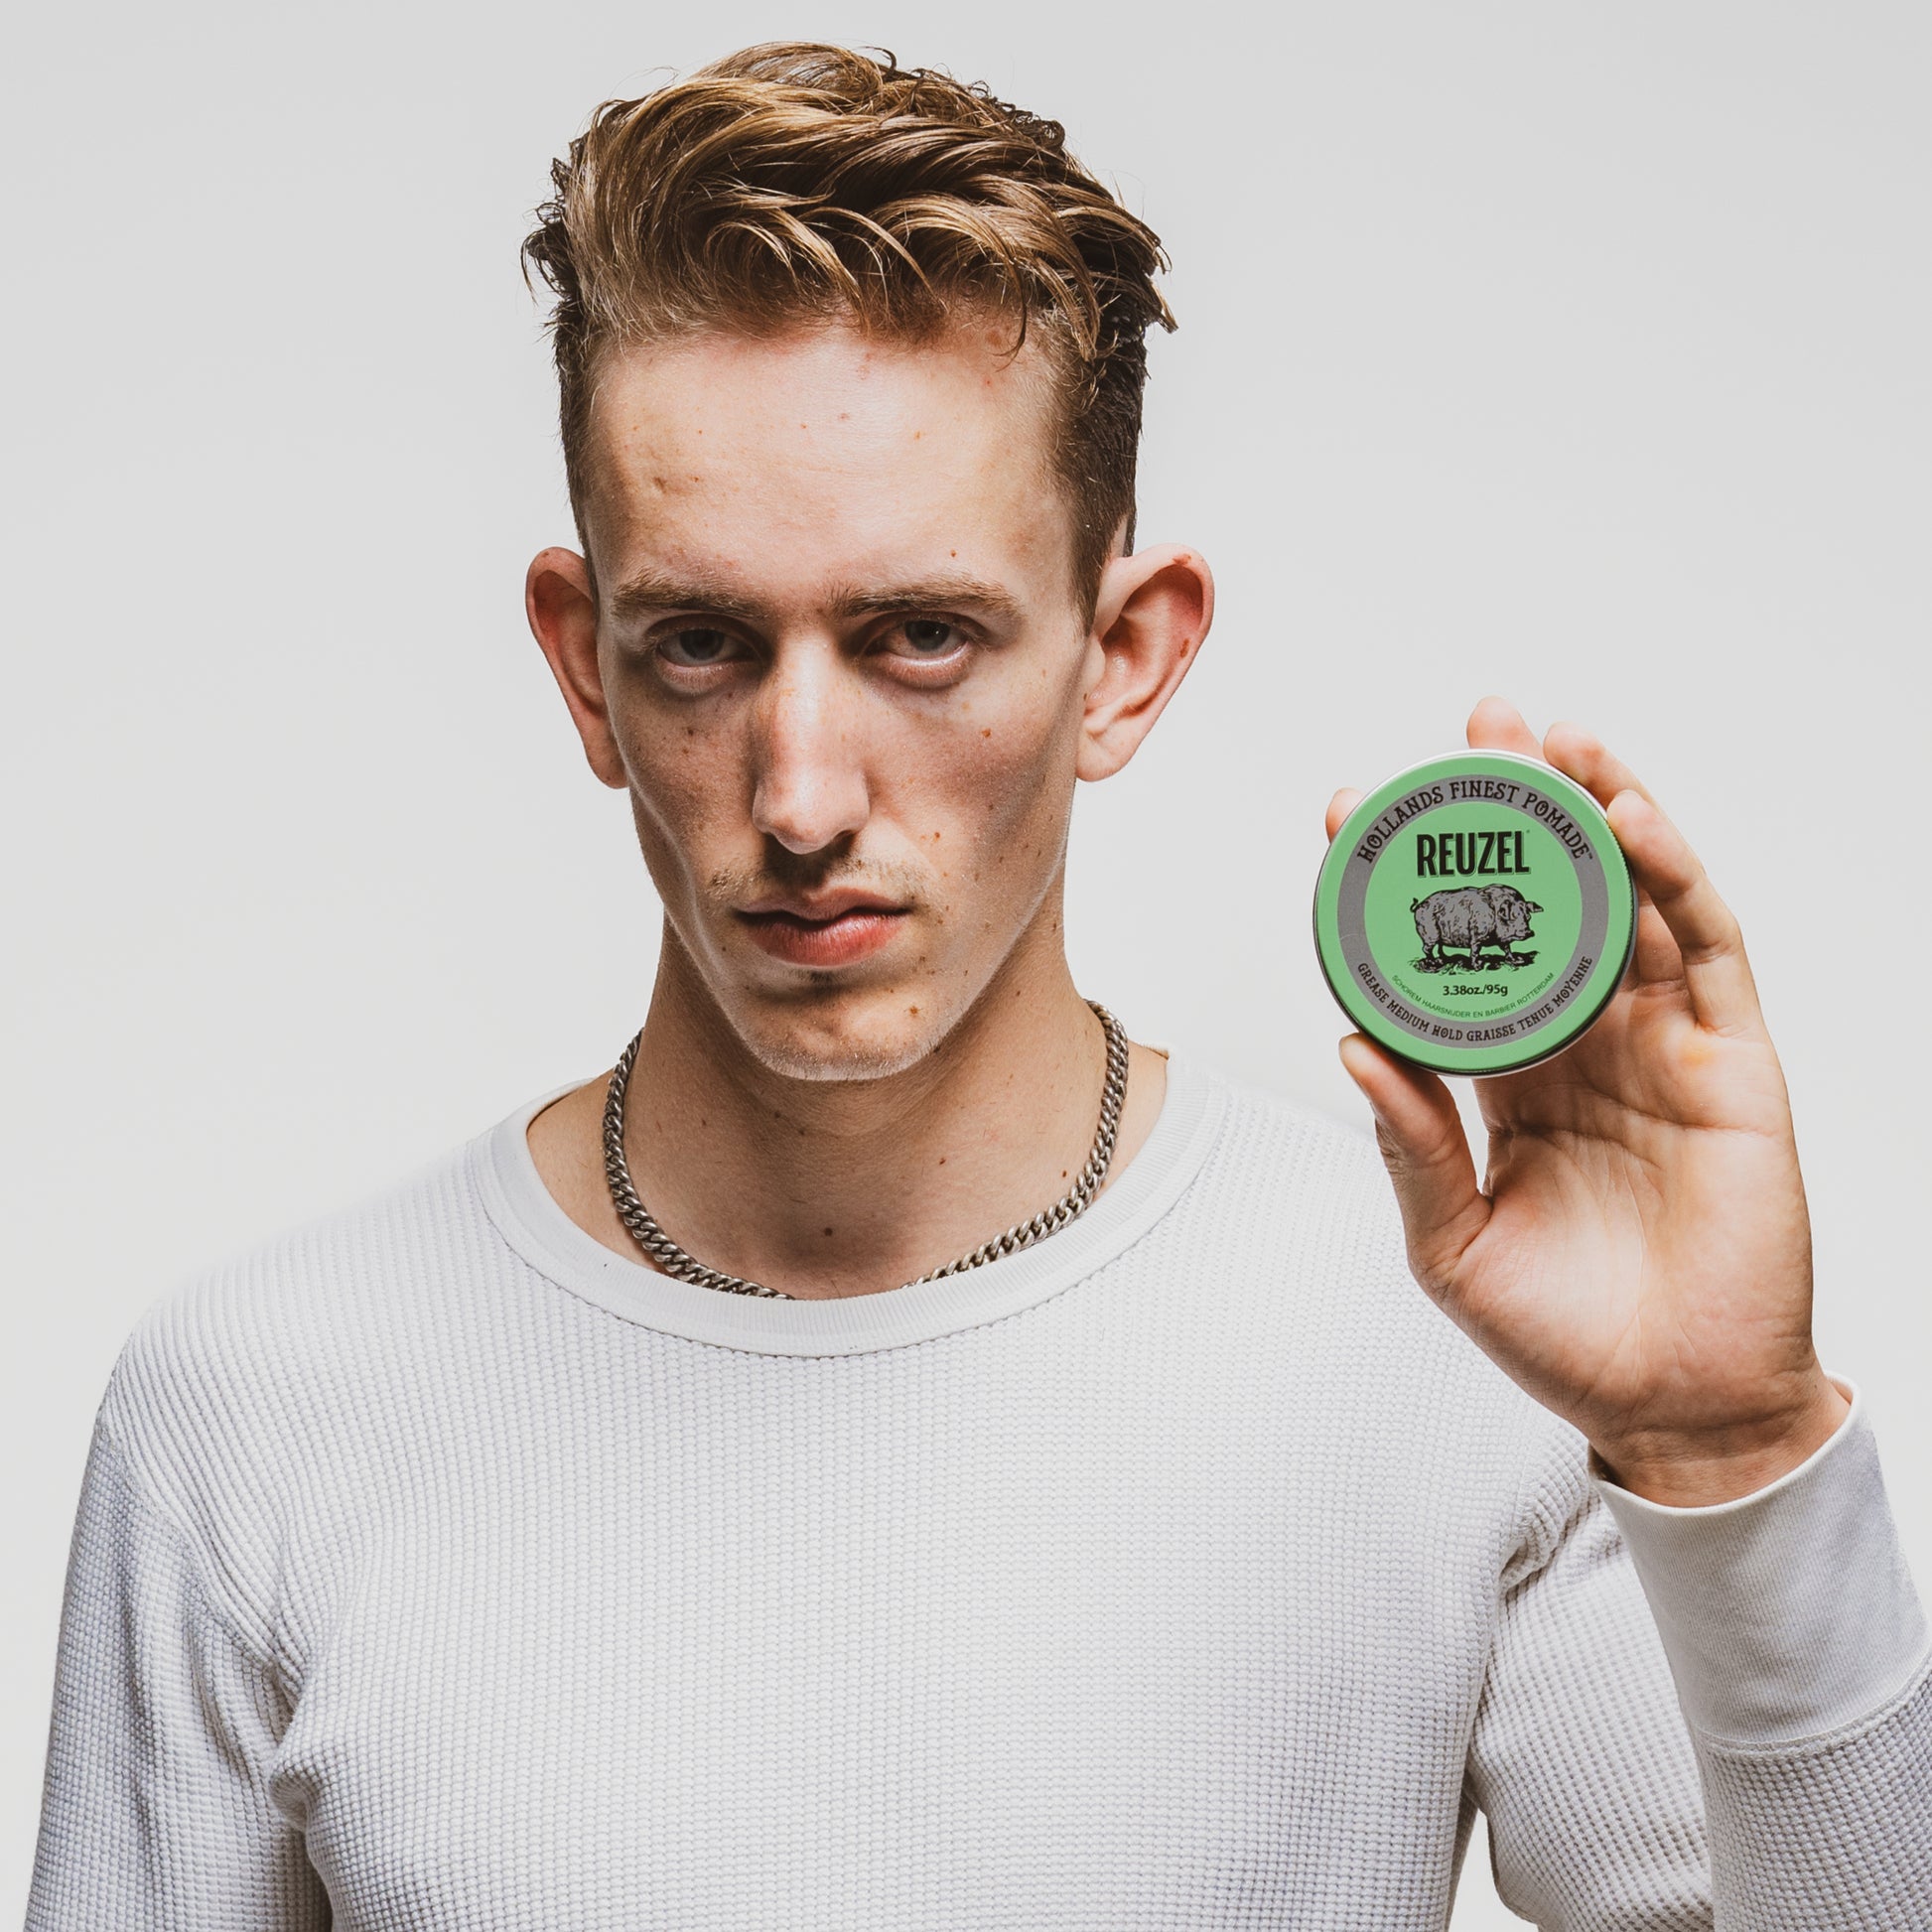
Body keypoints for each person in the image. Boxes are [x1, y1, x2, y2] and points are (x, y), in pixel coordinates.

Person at [26, 42, 1929, 1930]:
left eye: (921, 635)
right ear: (582, 660)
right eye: (699, 642)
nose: (800, 797)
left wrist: (1731, 1457)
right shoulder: (258, 1412)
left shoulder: (1449, 1337)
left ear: (1124, 654)